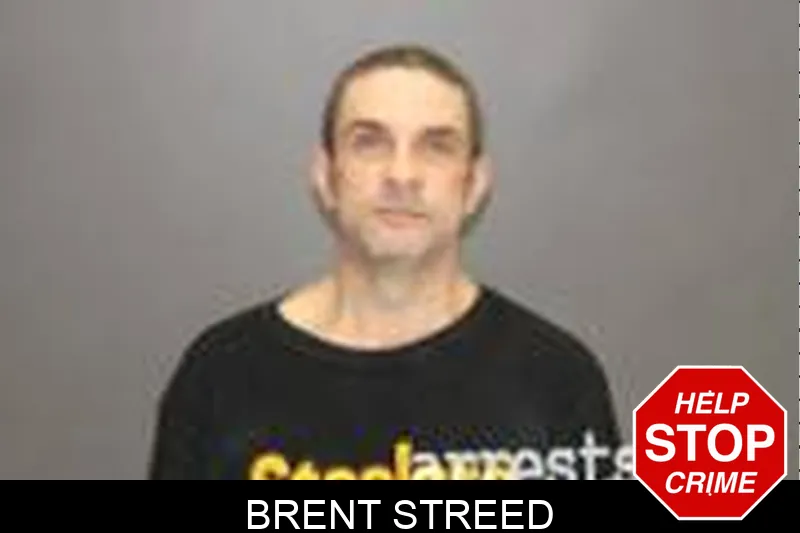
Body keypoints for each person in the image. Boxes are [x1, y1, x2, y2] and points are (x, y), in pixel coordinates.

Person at [147, 43, 624, 480]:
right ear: (326, 176)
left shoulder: (555, 380)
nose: (402, 174)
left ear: (474, 184)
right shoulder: (222, 374)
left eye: (436, 146)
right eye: (370, 142)